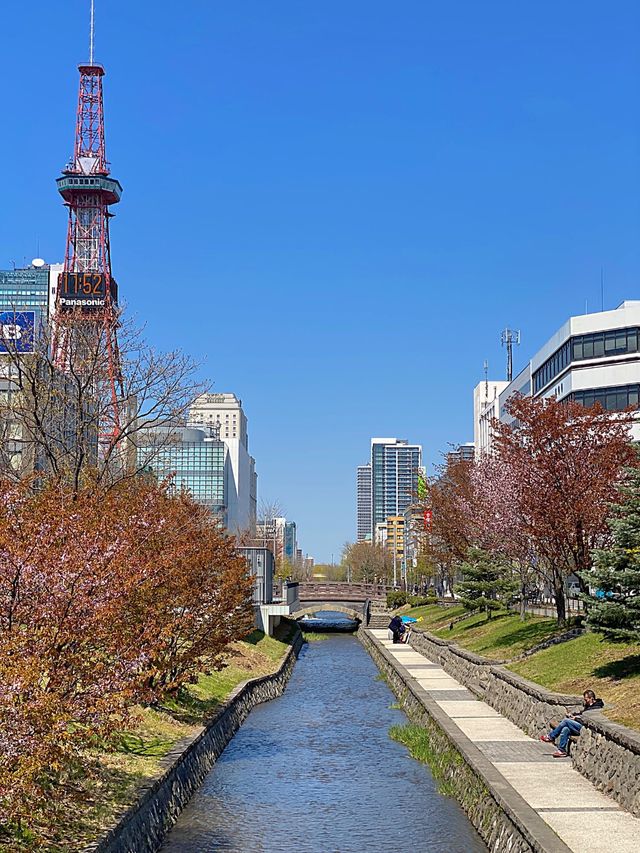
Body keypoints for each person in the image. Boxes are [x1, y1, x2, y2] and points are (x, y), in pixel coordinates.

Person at [540, 690, 604, 757]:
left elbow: (586, 720)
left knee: (566, 721)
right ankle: (562, 750)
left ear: (591, 698)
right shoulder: (589, 705)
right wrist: (573, 715)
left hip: (584, 728)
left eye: (586, 699)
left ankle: (551, 737)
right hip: (579, 725)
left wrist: (575, 718)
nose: (585, 701)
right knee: (565, 729)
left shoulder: (596, 708)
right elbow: (581, 714)